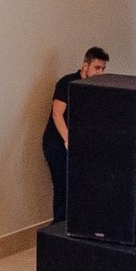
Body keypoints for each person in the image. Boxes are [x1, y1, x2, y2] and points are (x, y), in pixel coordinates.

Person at [43, 45, 110, 222]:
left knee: (79, 186)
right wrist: (67, 139)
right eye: (97, 67)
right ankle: (58, 226)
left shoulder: (94, 88)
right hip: (56, 144)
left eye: (103, 69)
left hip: (77, 145)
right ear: (85, 65)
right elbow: (57, 114)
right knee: (62, 185)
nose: (100, 72)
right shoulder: (67, 83)